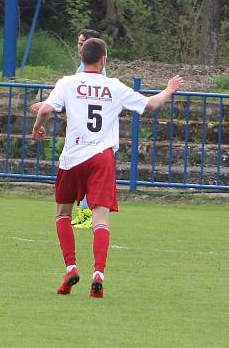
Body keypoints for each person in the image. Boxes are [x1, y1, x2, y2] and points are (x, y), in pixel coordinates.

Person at [32, 37, 183, 298]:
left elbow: (45, 109)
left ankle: (70, 268)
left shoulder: (67, 83)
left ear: (82, 58)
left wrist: (37, 128)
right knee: (100, 218)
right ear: (103, 60)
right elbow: (151, 105)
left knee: (62, 214)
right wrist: (169, 89)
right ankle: (98, 274)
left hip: (73, 157)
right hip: (101, 157)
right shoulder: (113, 86)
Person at [30, 28, 107, 229]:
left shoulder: (90, 71)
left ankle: (87, 212)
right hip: (86, 134)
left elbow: (82, 101)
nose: (79, 47)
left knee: (83, 173)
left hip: (87, 136)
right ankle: (85, 211)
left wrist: (48, 106)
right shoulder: (85, 68)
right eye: (78, 43)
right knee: (85, 174)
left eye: (83, 44)